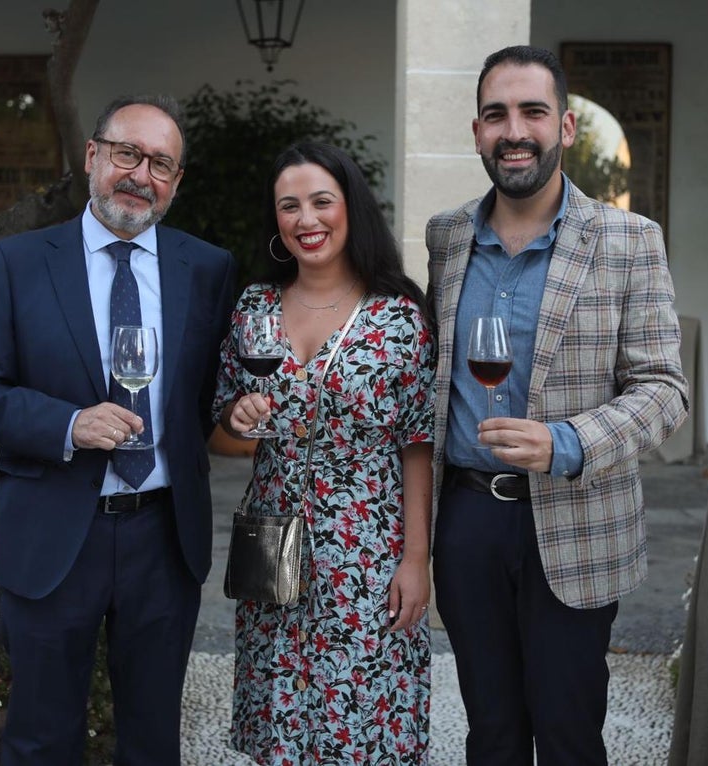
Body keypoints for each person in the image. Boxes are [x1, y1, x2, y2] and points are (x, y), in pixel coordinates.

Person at [0, 94, 235, 765]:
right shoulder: (17, 262)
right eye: (127, 153)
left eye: (161, 163)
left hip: (163, 540)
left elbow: (204, 401)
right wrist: (70, 424)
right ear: (93, 156)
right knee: (40, 740)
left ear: (176, 182)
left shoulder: (207, 268)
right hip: (52, 536)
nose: (141, 174)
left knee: (150, 742)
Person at [425, 46, 689, 764]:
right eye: (496, 114)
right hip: (469, 519)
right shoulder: (447, 239)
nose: (515, 130)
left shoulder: (630, 241)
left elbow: (665, 391)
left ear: (566, 127)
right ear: (477, 131)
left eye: (532, 112)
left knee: (570, 734)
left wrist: (564, 443)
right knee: (492, 732)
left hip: (577, 520)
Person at [215, 141, 435, 763]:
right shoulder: (253, 308)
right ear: (277, 223)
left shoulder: (400, 316)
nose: (306, 219)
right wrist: (238, 418)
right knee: (279, 720)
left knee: (364, 724)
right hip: (272, 547)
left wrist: (417, 559)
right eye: (290, 207)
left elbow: (417, 443)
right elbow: (223, 436)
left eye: (321, 202)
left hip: (367, 551)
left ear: (350, 209)